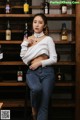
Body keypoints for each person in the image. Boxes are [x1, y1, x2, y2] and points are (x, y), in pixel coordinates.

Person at [20, 13, 57, 120]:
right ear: (32, 24)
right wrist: (25, 44)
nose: (37, 25)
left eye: (40, 23)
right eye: (35, 22)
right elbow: (24, 59)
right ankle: (33, 109)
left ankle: (36, 114)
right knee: (36, 89)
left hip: (47, 73)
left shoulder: (48, 39)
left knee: (44, 106)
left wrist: (39, 63)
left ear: (44, 25)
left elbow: (54, 59)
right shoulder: (27, 39)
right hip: (32, 72)